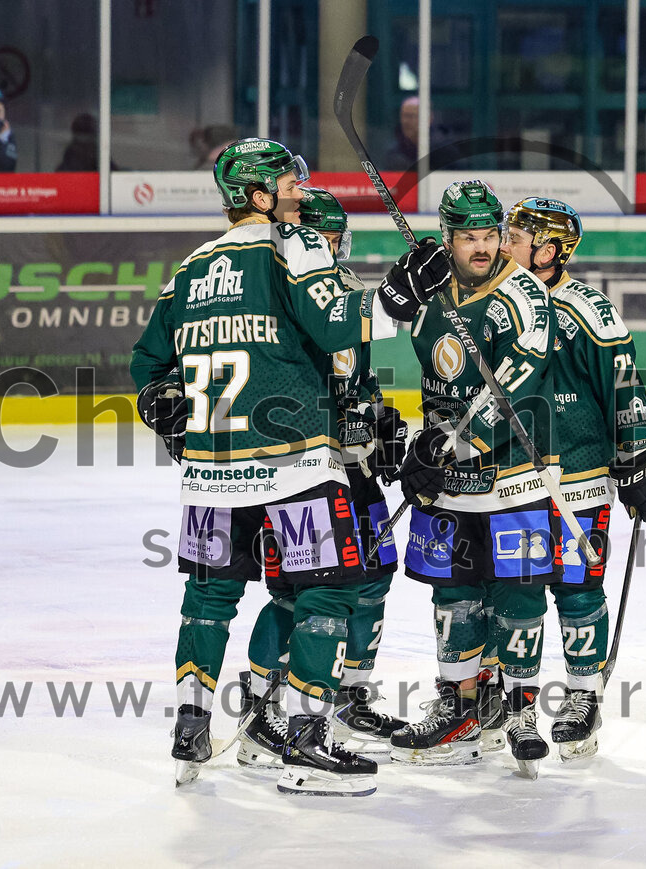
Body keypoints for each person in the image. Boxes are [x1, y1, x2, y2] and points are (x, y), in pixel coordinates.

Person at [130, 137, 448, 795]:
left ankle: (192, 719)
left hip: (210, 471)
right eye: (288, 184)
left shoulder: (190, 269)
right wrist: (404, 290)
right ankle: (305, 731)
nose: (300, 194)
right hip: (294, 465)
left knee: (209, 594)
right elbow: (341, 326)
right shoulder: (293, 245)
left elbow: (145, 366)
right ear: (256, 195)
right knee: (329, 587)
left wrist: (163, 405)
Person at [386, 179, 560, 778]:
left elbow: (516, 388)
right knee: (454, 597)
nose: (483, 248)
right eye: (470, 238)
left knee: (519, 597)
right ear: (448, 237)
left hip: (513, 479)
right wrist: (391, 293)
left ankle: (520, 709)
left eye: (491, 236)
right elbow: (365, 332)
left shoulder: (527, 296)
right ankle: (461, 706)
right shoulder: (432, 290)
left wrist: (447, 443)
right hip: (448, 481)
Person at [235, 187, 409, 768]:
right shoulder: (276, 301)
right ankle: (262, 710)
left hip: (352, 471)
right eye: (321, 237)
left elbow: (357, 380)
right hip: (297, 473)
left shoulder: (346, 300)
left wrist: (380, 422)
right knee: (293, 592)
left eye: (336, 239)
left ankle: (348, 697)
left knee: (375, 574)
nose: (330, 249)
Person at [500, 197, 646, 761]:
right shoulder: (497, 300)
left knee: (577, 589)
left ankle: (583, 696)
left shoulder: (589, 311)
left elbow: (624, 387)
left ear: (549, 250)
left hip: (581, 477)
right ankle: (518, 705)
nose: (505, 242)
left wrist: (638, 461)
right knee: (518, 592)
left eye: (518, 236)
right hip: (512, 480)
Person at [383, 95, 419, 170]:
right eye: (403, 116)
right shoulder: (393, 153)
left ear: (428, 118)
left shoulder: (439, 148)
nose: (405, 121)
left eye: (410, 116)